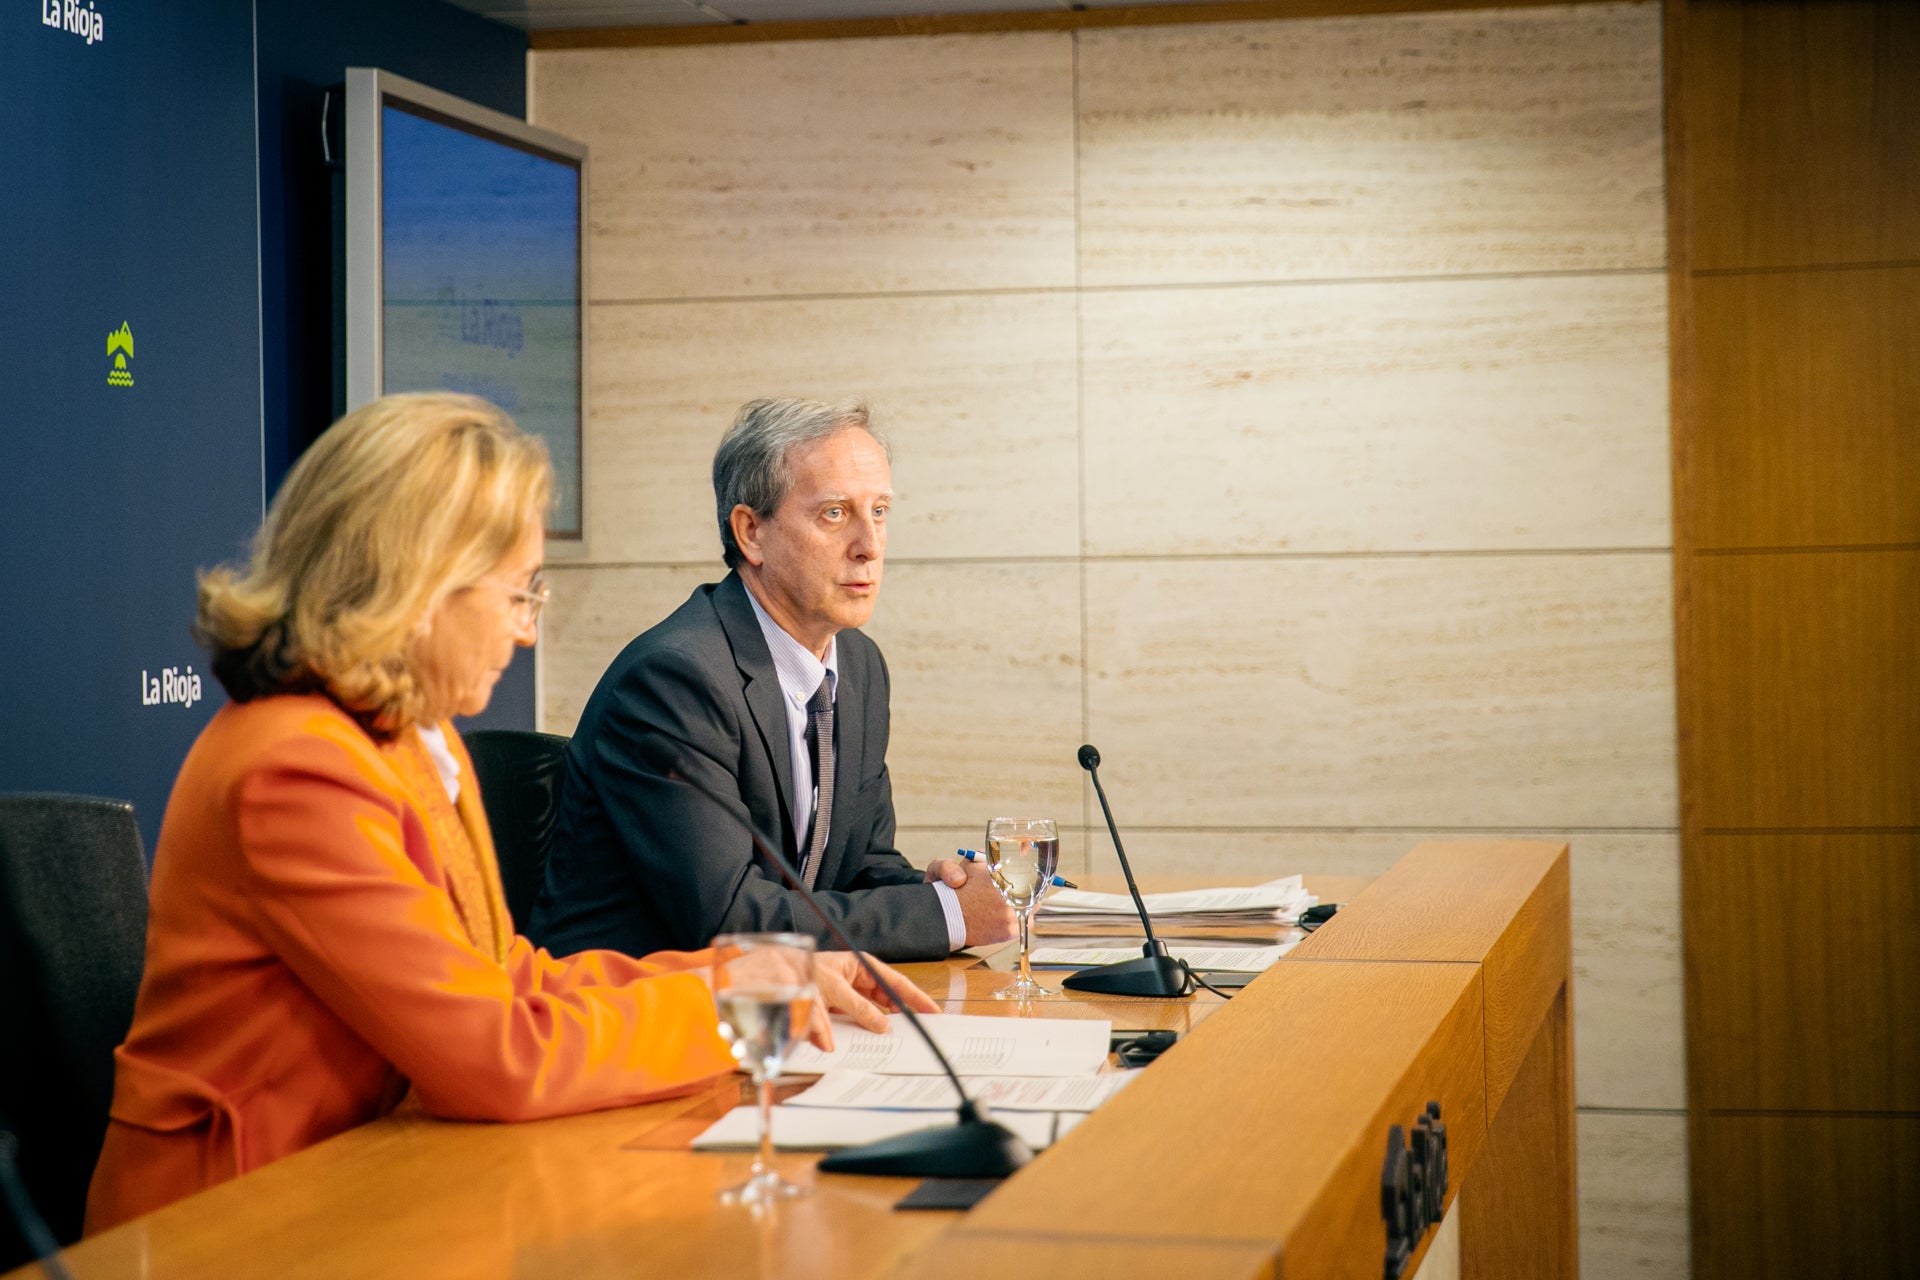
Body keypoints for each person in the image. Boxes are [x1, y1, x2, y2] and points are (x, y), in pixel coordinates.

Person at [85, 393, 933, 1232]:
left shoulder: (402, 741)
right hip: (235, 1221)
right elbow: (495, 1053)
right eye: (519, 594)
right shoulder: (296, 767)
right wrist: (729, 1007)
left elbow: (506, 978)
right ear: (415, 587)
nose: (526, 634)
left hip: (371, 1174)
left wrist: (747, 975)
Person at [531, 399, 1016, 964]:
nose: (871, 545)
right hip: (628, 1017)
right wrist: (946, 916)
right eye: (835, 513)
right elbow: (729, 919)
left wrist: (933, 890)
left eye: (879, 511)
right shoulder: (674, 681)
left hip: (775, 1006)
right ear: (751, 533)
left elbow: (860, 866)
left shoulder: (859, 665)